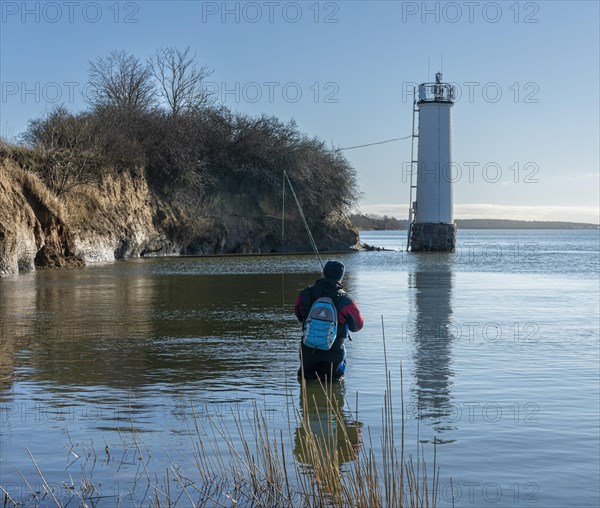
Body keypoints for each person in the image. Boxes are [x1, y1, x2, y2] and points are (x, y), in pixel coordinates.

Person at [294, 260, 364, 381]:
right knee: (334, 387)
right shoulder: (346, 299)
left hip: (308, 352)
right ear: (341, 277)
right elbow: (358, 325)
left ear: (323, 273)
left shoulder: (306, 293)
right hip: (334, 354)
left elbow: (299, 315)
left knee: (306, 384)